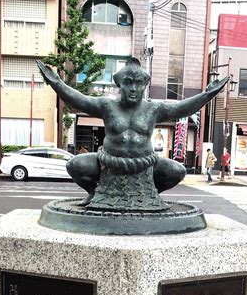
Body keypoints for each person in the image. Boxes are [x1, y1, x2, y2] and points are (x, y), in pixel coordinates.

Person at [36, 57, 228, 208]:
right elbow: (80, 100)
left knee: (177, 171)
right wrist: (57, 84)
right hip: (109, 163)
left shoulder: (154, 109)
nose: (133, 89)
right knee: (75, 165)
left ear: (145, 85)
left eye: (138, 83)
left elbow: (181, 109)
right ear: (120, 85)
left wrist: (206, 95)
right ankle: (94, 193)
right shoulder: (106, 105)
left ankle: (148, 195)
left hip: (145, 165)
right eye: (128, 83)